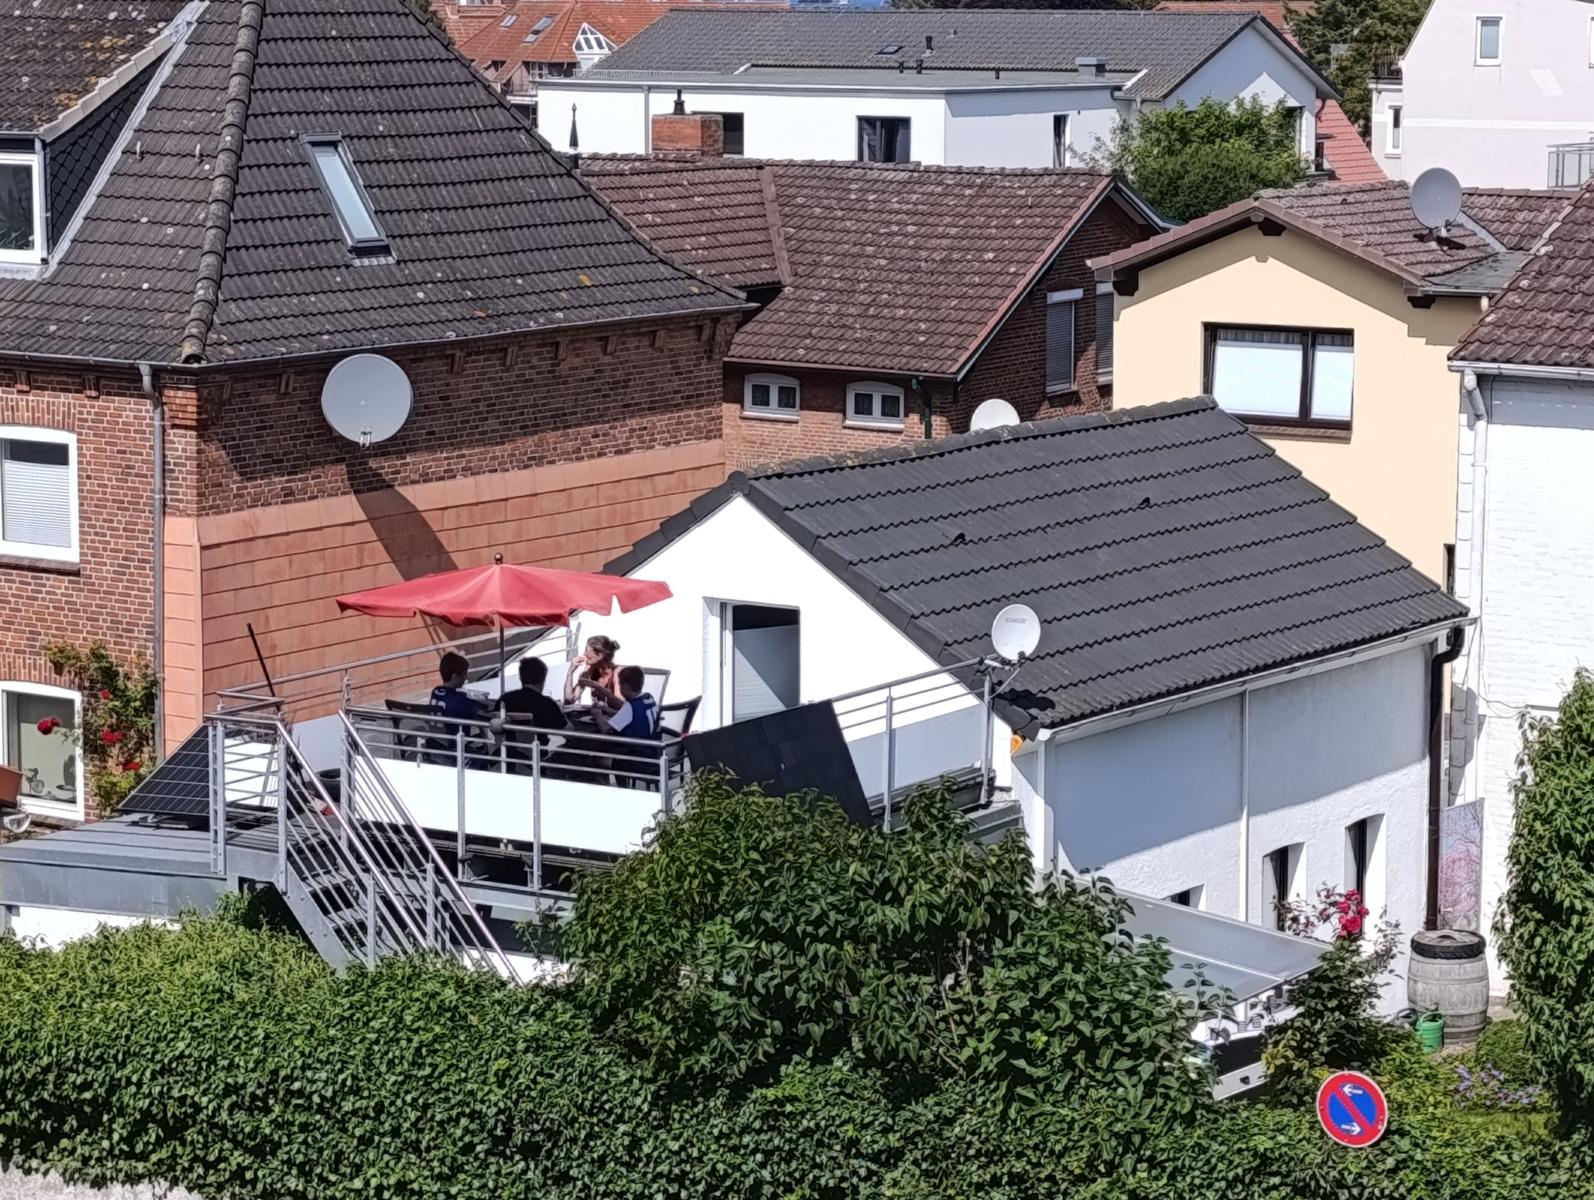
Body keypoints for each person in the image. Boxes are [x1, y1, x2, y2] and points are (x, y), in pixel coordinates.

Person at [499, 657, 568, 742]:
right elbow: (568, 732)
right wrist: (561, 713)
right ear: (543, 678)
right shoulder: (545, 703)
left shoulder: (504, 699)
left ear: (521, 678)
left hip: (505, 748)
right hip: (537, 751)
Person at [598, 665, 660, 741]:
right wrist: (610, 711)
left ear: (626, 686)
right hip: (654, 747)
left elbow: (605, 729)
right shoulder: (648, 697)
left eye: (620, 684)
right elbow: (636, 716)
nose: (619, 687)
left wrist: (597, 714)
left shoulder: (631, 706)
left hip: (635, 750)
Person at [428, 652, 489, 722]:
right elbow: (484, 709)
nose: (466, 678)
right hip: (457, 732)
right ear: (454, 676)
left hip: (438, 732)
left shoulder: (435, 691)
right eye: (464, 674)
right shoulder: (460, 700)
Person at [563, 634, 621, 705]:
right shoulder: (589, 671)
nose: (584, 654)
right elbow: (569, 699)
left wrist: (597, 686)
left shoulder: (617, 673)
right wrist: (570, 672)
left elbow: (620, 705)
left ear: (599, 656)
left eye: (587, 650)